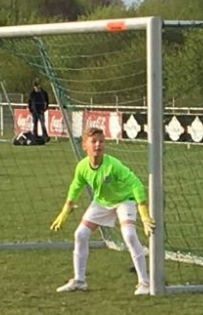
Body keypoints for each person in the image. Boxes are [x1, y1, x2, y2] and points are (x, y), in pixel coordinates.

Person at [49, 126, 155, 295]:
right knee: (80, 234)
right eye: (94, 141)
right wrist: (64, 212)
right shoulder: (82, 167)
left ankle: (144, 282)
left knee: (129, 235)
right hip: (102, 203)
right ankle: (79, 280)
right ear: (85, 146)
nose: (98, 145)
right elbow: (75, 187)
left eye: (101, 141)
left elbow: (135, 183)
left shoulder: (113, 165)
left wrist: (144, 213)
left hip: (124, 201)